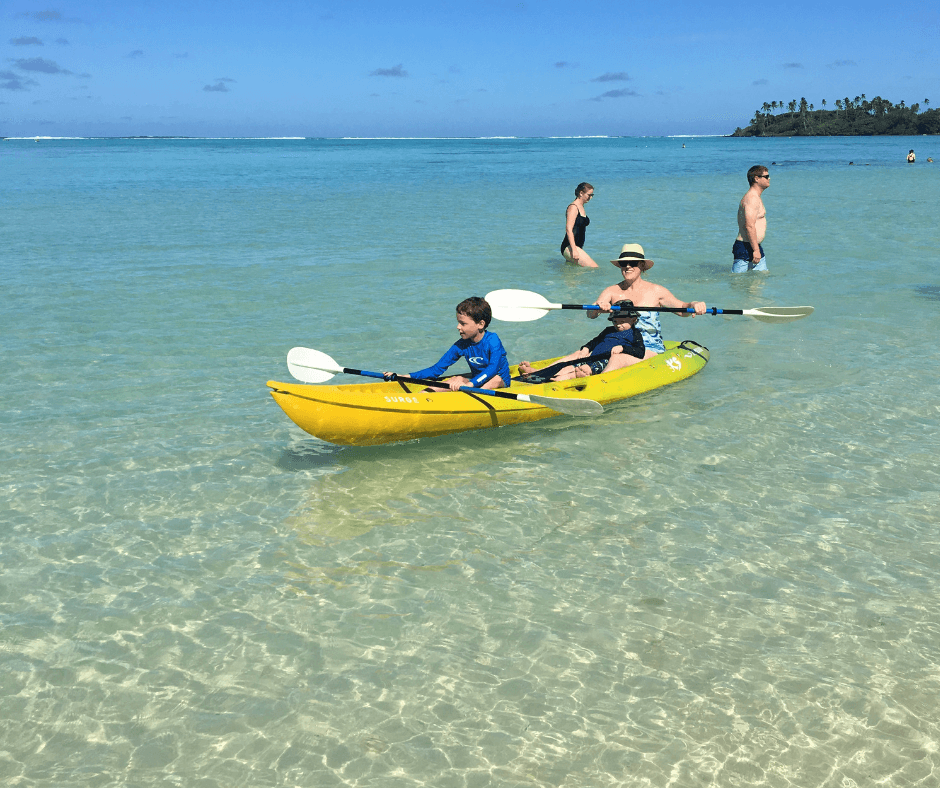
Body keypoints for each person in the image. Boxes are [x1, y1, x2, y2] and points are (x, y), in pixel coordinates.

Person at [590, 243, 706, 357]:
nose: (628, 266)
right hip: (618, 346)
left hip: (649, 348)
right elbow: (590, 313)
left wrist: (694, 304)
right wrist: (598, 308)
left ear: (642, 265)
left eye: (633, 263)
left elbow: (682, 309)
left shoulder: (656, 291)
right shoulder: (611, 291)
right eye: (624, 263)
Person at [384, 296, 511, 392]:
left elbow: (492, 369)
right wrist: (405, 376)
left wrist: (469, 385)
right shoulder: (461, 345)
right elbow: (436, 370)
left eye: (463, 323)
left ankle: (467, 401)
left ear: (480, 324)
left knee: (494, 380)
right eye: (458, 322)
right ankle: (421, 397)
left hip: (499, 380)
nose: (458, 327)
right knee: (456, 379)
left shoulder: (493, 340)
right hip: (475, 380)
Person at [518, 300, 646, 382]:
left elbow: (640, 352)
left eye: (623, 322)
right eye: (615, 322)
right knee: (571, 364)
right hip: (593, 356)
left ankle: (562, 379)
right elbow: (595, 341)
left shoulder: (635, 334)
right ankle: (542, 374)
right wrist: (586, 348)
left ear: (633, 319)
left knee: (584, 369)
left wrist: (624, 349)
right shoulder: (608, 330)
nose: (618, 325)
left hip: (605, 360)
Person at [732, 165, 770, 273]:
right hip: (746, 248)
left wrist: (756, 248)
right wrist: (756, 250)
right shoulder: (751, 198)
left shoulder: (755, 197)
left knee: (760, 281)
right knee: (738, 283)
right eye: (766, 176)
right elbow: (749, 225)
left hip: (754, 246)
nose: (769, 179)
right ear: (756, 179)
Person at [560, 182, 597, 268]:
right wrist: (574, 250)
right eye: (589, 195)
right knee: (594, 268)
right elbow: (569, 229)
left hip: (577, 246)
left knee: (573, 276)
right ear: (581, 193)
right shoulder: (573, 207)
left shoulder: (581, 206)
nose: (590, 197)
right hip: (569, 247)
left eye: (592, 195)